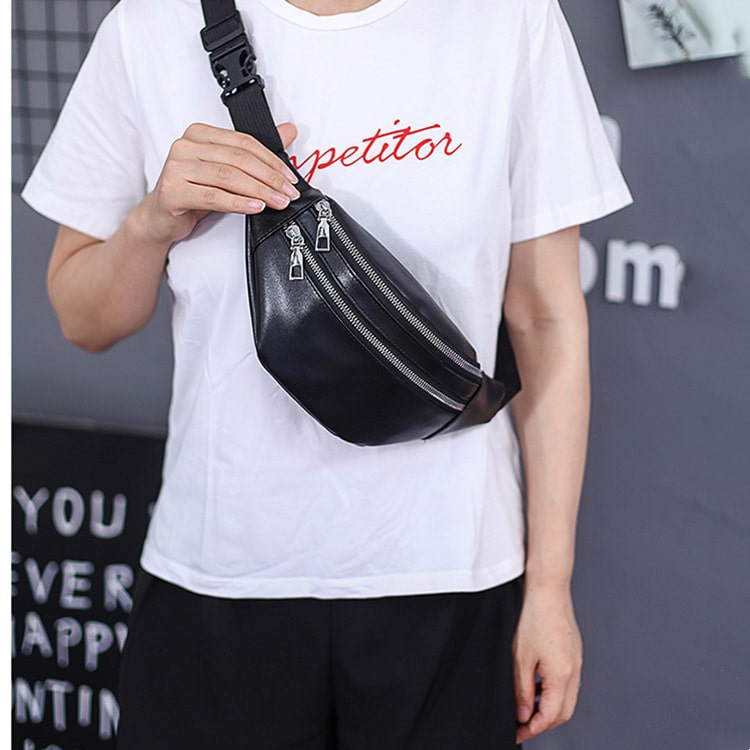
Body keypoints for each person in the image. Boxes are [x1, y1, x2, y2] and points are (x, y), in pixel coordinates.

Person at [22, 0, 632, 747]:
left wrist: (550, 588)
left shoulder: (507, 20)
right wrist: (153, 222)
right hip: (220, 577)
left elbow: (547, 319)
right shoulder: (148, 28)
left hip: (449, 575)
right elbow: (83, 319)